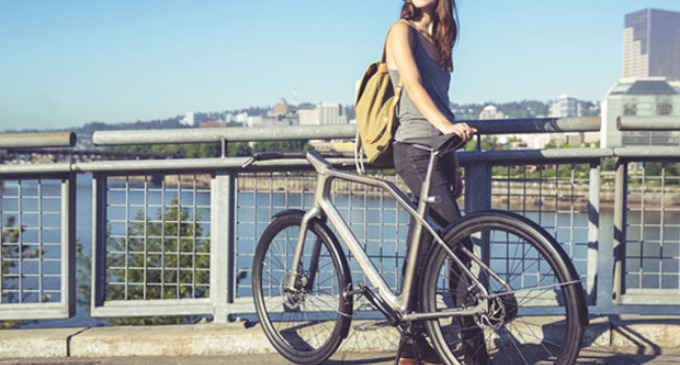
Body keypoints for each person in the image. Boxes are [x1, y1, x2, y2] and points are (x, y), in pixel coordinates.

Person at [384, 1, 491, 364]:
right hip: (414, 152)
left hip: (441, 155)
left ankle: (411, 349)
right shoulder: (401, 31)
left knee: (425, 252)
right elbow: (412, 84)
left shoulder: (442, 37)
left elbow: (442, 102)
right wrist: (447, 129)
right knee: (459, 245)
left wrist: (454, 159)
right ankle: (474, 350)